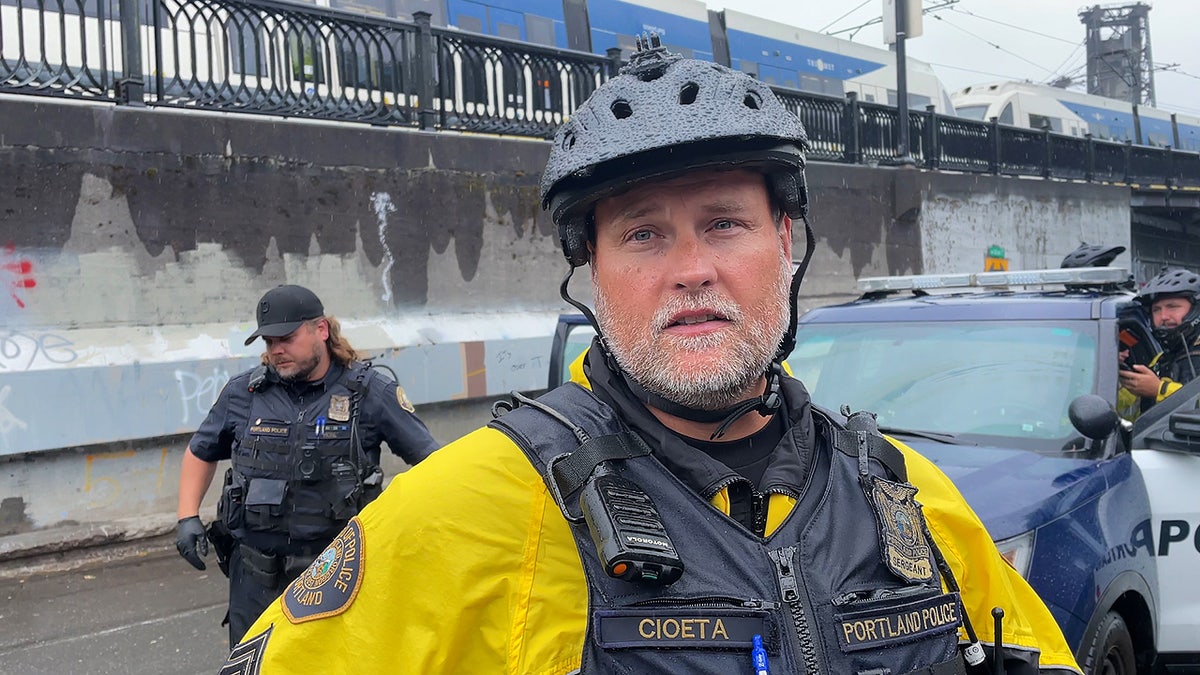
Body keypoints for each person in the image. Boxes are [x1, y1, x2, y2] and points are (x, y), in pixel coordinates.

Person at [224, 41, 1080, 674]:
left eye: (724, 222)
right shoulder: (471, 504)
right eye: (642, 234)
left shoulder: (906, 499)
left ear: (786, 240)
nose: (690, 268)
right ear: (593, 273)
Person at [175, 283, 440, 647]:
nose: (277, 350)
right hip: (255, 578)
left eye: (287, 337)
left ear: (321, 330)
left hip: (338, 575)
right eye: (269, 342)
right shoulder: (244, 394)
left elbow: (432, 462)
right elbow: (201, 450)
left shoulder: (367, 392)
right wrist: (187, 516)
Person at [1119, 268, 1200, 410]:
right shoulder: (1160, 361)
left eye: (1172, 307)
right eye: (1156, 309)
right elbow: (1122, 410)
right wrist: (1117, 376)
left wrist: (1160, 390)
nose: (1163, 316)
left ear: (1195, 310)